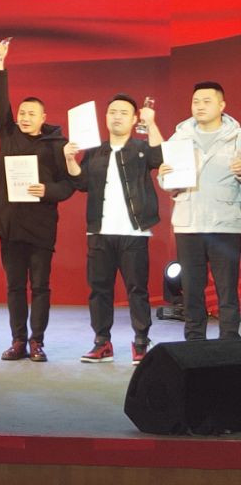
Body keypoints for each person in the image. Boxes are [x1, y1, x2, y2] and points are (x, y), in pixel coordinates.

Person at [0, 40, 74, 362]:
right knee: (14, 286)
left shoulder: (57, 144)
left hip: (41, 225)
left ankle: (37, 341)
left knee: (40, 286)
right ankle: (18, 340)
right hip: (10, 224)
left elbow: (69, 186)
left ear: (43, 117)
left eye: (31, 113)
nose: (24, 117)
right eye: (21, 112)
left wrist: (46, 190)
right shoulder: (9, 134)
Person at [64, 95, 163, 364]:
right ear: (105, 117)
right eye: (112, 112)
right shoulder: (95, 150)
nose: (117, 116)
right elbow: (82, 183)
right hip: (99, 231)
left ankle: (141, 341)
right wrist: (71, 160)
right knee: (99, 289)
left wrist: (151, 124)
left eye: (123, 112)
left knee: (137, 289)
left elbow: (159, 157)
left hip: (134, 232)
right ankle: (102, 342)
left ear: (134, 119)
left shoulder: (141, 148)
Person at [159, 81, 241, 341]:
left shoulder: (237, 137)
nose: (200, 106)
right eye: (196, 101)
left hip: (225, 224)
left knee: (227, 291)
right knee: (192, 291)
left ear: (222, 105)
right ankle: (194, 345)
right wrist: (164, 176)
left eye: (207, 101)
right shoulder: (179, 137)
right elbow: (167, 182)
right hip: (189, 224)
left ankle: (229, 344)